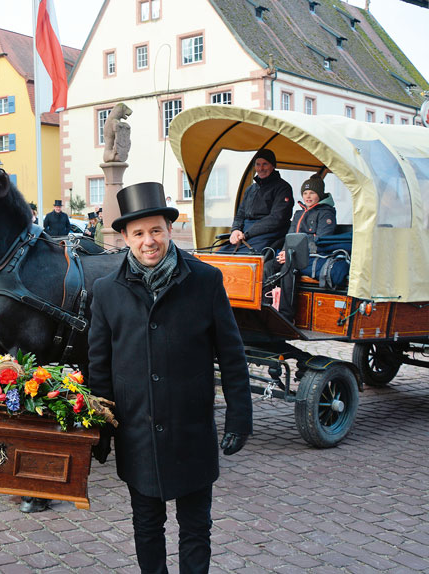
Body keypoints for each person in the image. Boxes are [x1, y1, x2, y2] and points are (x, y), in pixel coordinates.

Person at [88, 182, 253, 574]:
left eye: (157, 230)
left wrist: (239, 415)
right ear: (125, 237)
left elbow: (231, 354)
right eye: (140, 233)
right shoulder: (106, 291)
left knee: (196, 527)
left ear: (169, 230)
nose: (150, 241)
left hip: (191, 428)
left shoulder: (204, 280)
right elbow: (99, 365)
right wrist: (102, 429)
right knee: (147, 526)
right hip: (137, 431)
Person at [263, 173, 337, 320]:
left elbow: (321, 240)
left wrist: (292, 254)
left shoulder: (326, 213)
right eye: (305, 193)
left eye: (312, 193)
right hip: (291, 254)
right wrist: (284, 252)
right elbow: (289, 236)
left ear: (320, 195)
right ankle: (265, 308)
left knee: (287, 268)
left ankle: (285, 314)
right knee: (267, 266)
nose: (308, 196)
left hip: (312, 255)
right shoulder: (298, 213)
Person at [224, 149, 293, 253]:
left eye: (265, 164)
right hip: (245, 232)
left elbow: (277, 218)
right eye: (258, 164)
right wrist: (235, 230)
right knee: (220, 254)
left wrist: (247, 233)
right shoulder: (250, 189)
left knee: (246, 258)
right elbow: (240, 214)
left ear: (273, 166)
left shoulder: (283, 188)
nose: (261, 168)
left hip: (268, 233)